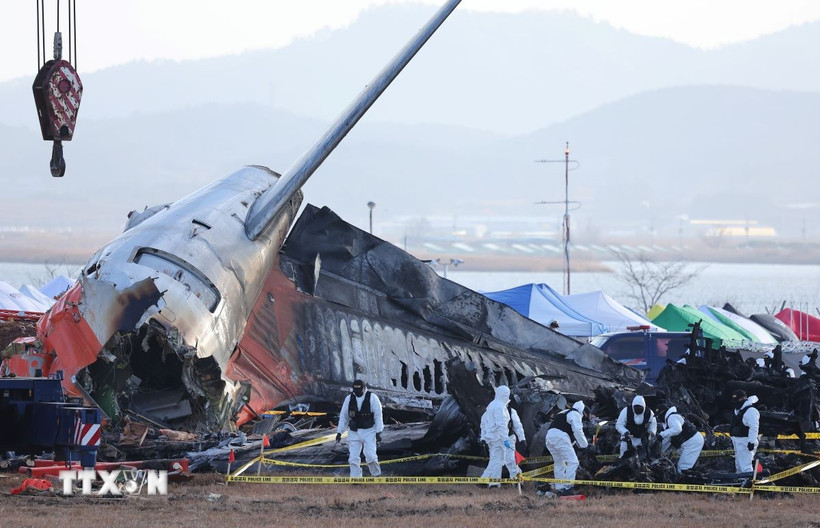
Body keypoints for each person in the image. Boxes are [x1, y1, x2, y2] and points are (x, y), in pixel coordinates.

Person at [336, 379, 384, 478]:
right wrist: (339, 432)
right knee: (353, 457)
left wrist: (379, 432)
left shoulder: (372, 398)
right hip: (354, 432)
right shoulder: (349, 399)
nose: (357, 393)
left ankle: (376, 475)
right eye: (355, 390)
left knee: (370, 455)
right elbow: (344, 416)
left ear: (364, 388)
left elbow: (378, 416)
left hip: (369, 431)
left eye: (359, 390)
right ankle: (355, 478)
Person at [544, 400, 591, 495]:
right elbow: (577, 431)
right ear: (583, 412)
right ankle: (568, 487)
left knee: (559, 463)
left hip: (549, 437)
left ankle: (560, 487)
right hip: (560, 437)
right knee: (573, 462)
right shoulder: (575, 414)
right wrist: (585, 446)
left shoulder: (563, 412)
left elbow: (568, 432)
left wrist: (576, 445)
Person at [479, 385, 520, 486]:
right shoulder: (500, 407)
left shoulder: (491, 405)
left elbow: (483, 422)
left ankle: (486, 481)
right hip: (498, 438)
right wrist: (505, 439)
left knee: (495, 460)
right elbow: (501, 425)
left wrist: (483, 437)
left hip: (491, 438)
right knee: (499, 460)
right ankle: (492, 483)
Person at [657, 405, 703, 472]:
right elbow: (667, 440)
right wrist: (659, 452)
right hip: (689, 442)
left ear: (662, 413)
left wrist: (662, 435)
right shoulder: (670, 422)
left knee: (683, 467)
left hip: (692, 443)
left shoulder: (672, 417)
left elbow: (677, 429)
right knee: (680, 464)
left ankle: (686, 480)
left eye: (658, 415)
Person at [729, 390, 760, 474]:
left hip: (745, 441)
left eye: (738, 400)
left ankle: (748, 484)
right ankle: (740, 483)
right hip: (738, 441)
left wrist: (751, 442)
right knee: (739, 465)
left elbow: (754, 427)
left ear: (744, 398)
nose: (736, 403)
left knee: (745, 466)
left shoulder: (751, 411)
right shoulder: (738, 410)